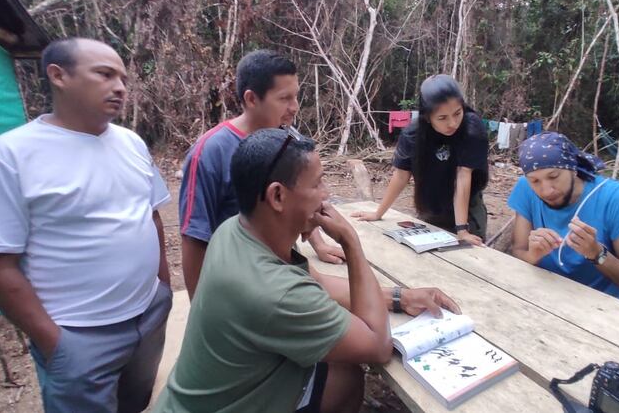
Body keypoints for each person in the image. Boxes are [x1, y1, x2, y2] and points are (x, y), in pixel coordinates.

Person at [155, 128, 461, 413]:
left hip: (192, 399)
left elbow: (315, 281)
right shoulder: (275, 292)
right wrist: (352, 244)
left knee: (343, 372)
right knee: (346, 376)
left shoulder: (234, 230)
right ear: (277, 196)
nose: (326, 194)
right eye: (316, 183)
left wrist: (398, 297)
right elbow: (378, 345)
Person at [0, 38, 172, 412]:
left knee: (136, 404)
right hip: (78, 337)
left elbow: (151, 216)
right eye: (105, 74)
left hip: (147, 316)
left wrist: (162, 291)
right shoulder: (10, 155)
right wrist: (54, 343)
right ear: (58, 75)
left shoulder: (131, 143)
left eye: (123, 77)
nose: (120, 86)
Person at [179, 49, 345, 300]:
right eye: (284, 98)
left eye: (296, 96)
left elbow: (301, 197)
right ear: (251, 99)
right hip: (237, 286)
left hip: (280, 276)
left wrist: (319, 244)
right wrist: (202, 309)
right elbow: (194, 240)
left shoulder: (290, 139)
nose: (295, 107)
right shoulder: (210, 152)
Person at [507, 131, 619, 300]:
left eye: (554, 176)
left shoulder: (618, 198)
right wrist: (532, 256)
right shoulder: (525, 188)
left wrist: (596, 253)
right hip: (541, 296)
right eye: (535, 181)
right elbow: (518, 251)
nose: (546, 190)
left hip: (600, 307)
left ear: (573, 169)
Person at [352, 75, 489, 246]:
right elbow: (401, 176)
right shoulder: (413, 135)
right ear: (427, 117)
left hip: (468, 209)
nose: (452, 123)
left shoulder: (471, 128)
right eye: (442, 118)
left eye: (457, 113)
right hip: (431, 208)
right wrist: (378, 213)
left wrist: (462, 230)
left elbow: (463, 176)